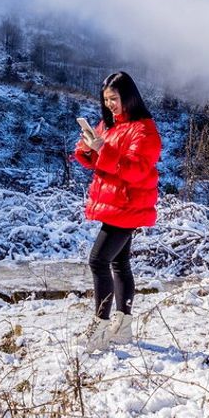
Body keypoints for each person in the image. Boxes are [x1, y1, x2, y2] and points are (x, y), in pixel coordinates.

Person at [72, 71, 162, 352]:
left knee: (98, 261)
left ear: (129, 97)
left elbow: (135, 170)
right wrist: (89, 148)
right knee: (119, 264)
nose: (110, 104)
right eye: (106, 99)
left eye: (114, 98)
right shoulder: (109, 125)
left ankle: (99, 328)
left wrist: (104, 150)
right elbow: (100, 161)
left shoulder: (144, 130)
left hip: (127, 204)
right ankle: (122, 329)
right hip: (115, 204)